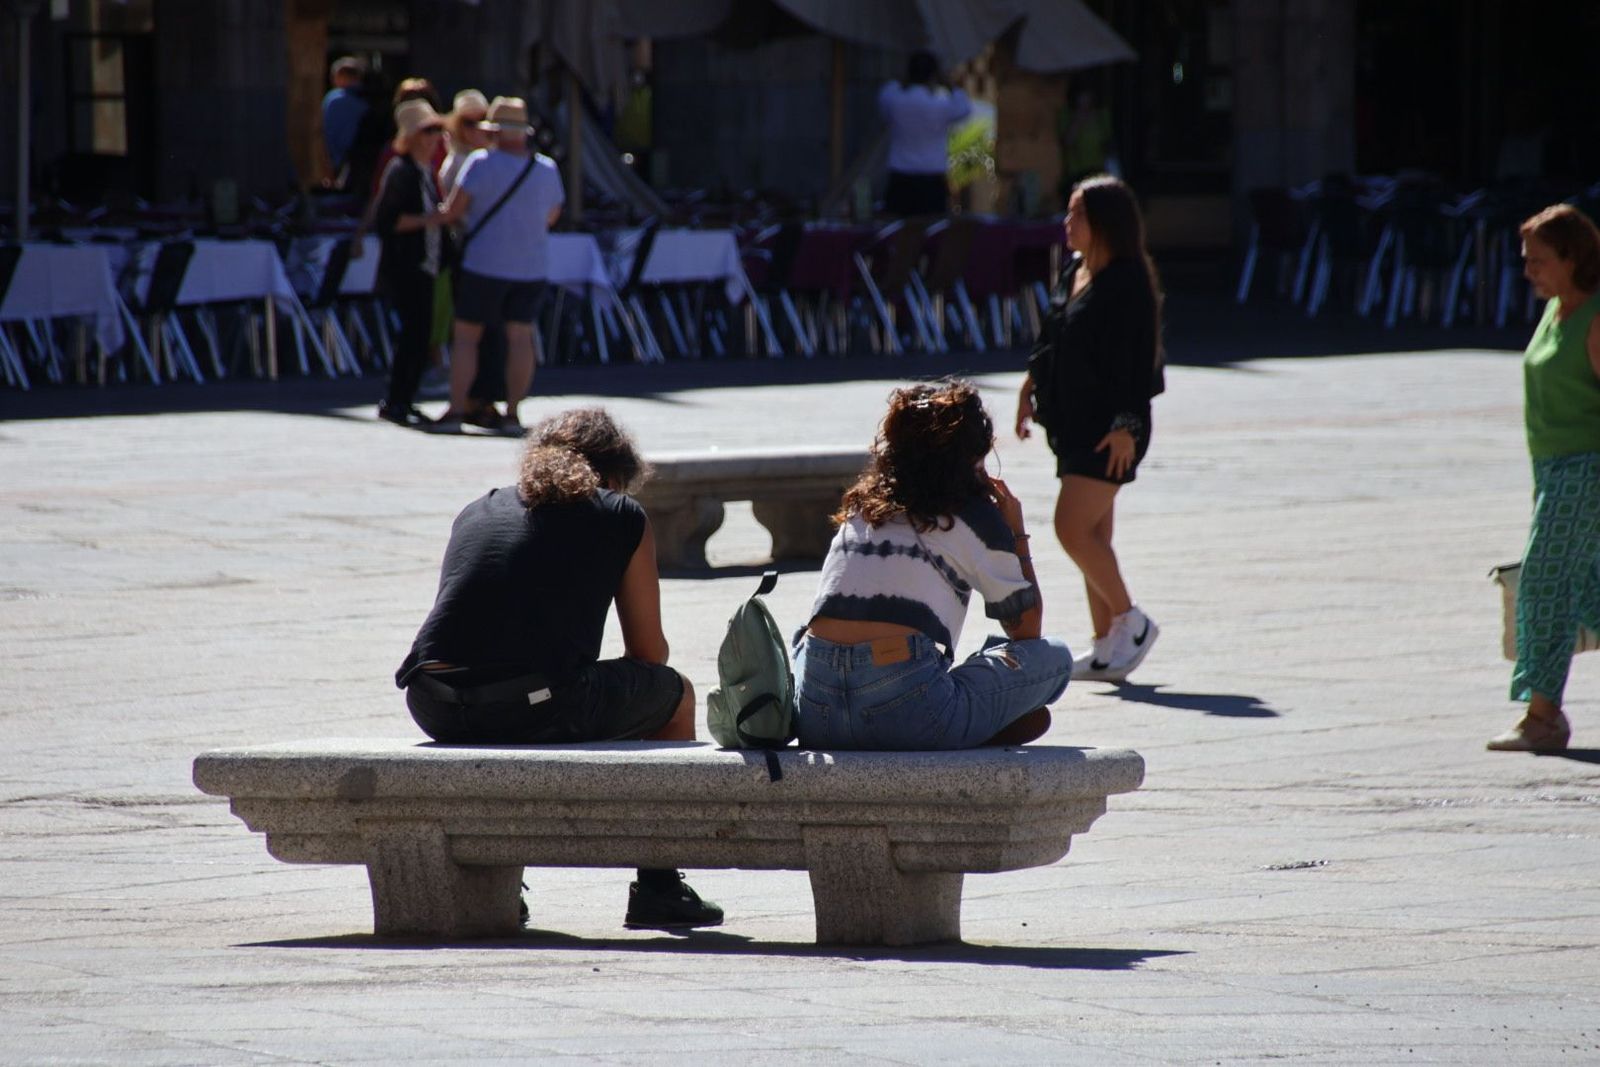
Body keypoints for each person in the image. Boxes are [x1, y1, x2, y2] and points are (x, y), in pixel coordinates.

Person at [396, 407, 724, 929]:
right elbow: (649, 654)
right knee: (675, 693)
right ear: (615, 477)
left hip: (431, 701)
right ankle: (660, 885)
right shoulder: (619, 514)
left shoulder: (478, 509)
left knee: (514, 688)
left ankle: (501, 882)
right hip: (529, 704)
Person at [794, 379, 1073, 751]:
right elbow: (1027, 632)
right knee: (1054, 658)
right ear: (971, 455)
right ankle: (969, 724)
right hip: (908, 712)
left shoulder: (862, 508)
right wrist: (1016, 532)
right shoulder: (973, 516)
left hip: (815, 714)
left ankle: (968, 722)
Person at [1015, 175, 1164, 683]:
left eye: (1077, 213)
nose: (1067, 221)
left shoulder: (1127, 281)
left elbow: (1138, 361)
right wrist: (1027, 387)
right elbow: (1052, 338)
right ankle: (1106, 647)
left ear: (1104, 223)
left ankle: (1132, 622)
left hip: (1112, 430)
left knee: (1070, 527)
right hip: (1073, 423)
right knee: (1095, 534)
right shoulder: (1074, 271)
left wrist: (1126, 426)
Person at [1487, 204, 1600, 753]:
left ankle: (1542, 716)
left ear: (1573, 258)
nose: (1528, 270)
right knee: (1592, 592)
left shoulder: (1595, 316)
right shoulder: (1555, 308)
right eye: (1525, 259)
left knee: (1544, 584)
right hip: (1552, 467)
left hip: (1587, 469)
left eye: (1539, 260)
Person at [437, 96, 564, 435]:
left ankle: (456, 408)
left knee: (466, 337)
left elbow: (452, 211)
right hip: (531, 266)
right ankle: (512, 412)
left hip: (484, 263)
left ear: (495, 131)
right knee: (520, 337)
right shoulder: (546, 168)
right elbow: (552, 216)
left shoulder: (481, 163)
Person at [371, 99, 450, 429]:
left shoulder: (425, 172)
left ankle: (406, 397)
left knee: (421, 335)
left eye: (437, 130)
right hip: (407, 265)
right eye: (428, 130)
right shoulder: (401, 170)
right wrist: (433, 219)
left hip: (426, 264)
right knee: (413, 335)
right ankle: (396, 400)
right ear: (413, 136)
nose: (435, 137)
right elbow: (387, 221)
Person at [877, 51, 971, 218]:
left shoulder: (894, 99)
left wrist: (903, 79)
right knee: (930, 232)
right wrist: (949, 84)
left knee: (899, 232)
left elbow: (886, 92)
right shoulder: (941, 105)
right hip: (932, 177)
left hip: (901, 176)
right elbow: (963, 108)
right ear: (934, 75)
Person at [1056, 88, 1114, 203]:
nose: (1085, 100)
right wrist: (1079, 119)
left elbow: (1108, 143)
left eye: (1088, 95)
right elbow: (1067, 142)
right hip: (1076, 172)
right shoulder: (1066, 114)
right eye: (1082, 96)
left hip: (1098, 172)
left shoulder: (1102, 115)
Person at [321, 56, 369, 188]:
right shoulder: (368, 100)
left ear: (341, 76)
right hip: (365, 163)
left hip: (340, 163)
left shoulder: (334, 100)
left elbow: (326, 134)